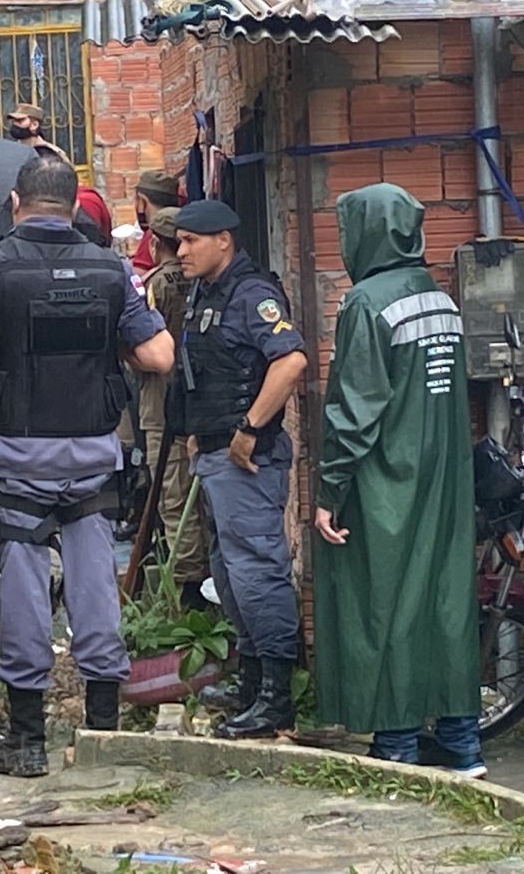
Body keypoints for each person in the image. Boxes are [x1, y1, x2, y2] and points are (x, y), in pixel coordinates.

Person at [0, 153, 174, 777]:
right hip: (93, 455)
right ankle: (102, 737)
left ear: (16, 204)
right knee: (95, 583)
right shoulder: (113, 270)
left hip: (17, 458)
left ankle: (27, 742)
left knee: (22, 592)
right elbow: (160, 355)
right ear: (72, 206)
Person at [311, 184, 484, 777]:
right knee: (445, 605)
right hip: (446, 479)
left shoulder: (366, 303)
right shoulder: (440, 300)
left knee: (384, 605)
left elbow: (355, 411)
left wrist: (329, 493)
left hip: (387, 482)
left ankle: (398, 747)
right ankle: (462, 744)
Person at [172, 199, 307, 740]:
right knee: (230, 573)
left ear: (222, 240)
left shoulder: (253, 294)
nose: (180, 251)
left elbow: (291, 360)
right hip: (214, 454)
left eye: (190, 241)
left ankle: (276, 696)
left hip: (248, 460)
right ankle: (252, 682)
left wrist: (248, 428)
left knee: (257, 571)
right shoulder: (209, 290)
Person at [134, 207, 209, 604]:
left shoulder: (155, 285)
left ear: (153, 241)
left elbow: (137, 342)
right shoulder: (203, 279)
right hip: (197, 397)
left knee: (172, 494)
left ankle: (186, 584)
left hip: (161, 399)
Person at [132, 169, 182, 272]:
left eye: (136, 200)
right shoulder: (184, 228)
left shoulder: (153, 235)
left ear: (142, 200)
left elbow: (139, 275)